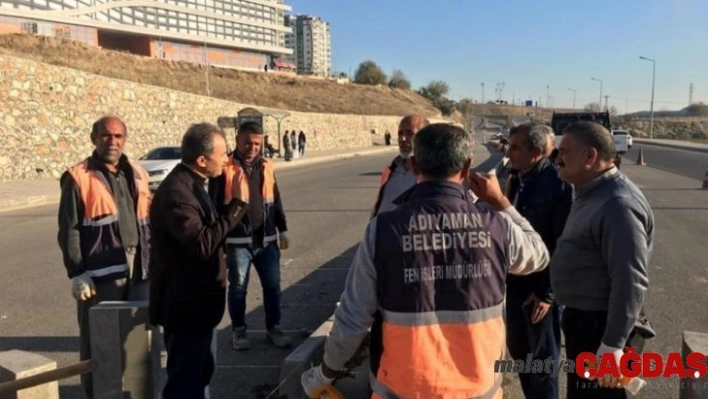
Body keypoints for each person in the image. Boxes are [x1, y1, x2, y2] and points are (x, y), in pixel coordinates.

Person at [300, 123, 550, 398]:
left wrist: (326, 372)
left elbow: (353, 316)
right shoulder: (497, 226)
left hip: (403, 389)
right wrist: (502, 203)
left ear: (415, 165)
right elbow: (539, 255)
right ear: (467, 168)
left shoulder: (383, 230)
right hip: (479, 389)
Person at [552, 121, 653, 398]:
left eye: (564, 152)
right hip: (584, 320)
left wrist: (613, 345)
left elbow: (630, 279)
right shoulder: (590, 192)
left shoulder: (618, 204)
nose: (557, 159)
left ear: (590, 157)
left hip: (599, 327)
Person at [149, 123, 249, 399]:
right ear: (202, 159)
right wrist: (238, 204)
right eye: (223, 153)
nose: (227, 159)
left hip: (199, 306)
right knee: (185, 383)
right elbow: (202, 244)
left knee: (200, 372)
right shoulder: (177, 193)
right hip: (185, 307)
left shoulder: (194, 183)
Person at [57, 116, 151, 399]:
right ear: (93, 138)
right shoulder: (77, 176)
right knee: (98, 338)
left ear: (125, 138)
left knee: (136, 339)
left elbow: (148, 219)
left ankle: (133, 392)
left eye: (118, 136)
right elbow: (68, 229)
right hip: (99, 274)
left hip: (139, 267)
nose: (113, 142)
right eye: (106, 136)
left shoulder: (136, 171)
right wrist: (77, 272)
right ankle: (97, 393)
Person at [503, 123, 573, 399]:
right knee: (520, 353)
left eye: (514, 147)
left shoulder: (558, 184)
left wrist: (547, 293)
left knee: (543, 361)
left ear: (535, 152)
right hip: (516, 284)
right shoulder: (516, 178)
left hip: (541, 291)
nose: (508, 153)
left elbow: (561, 243)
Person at [208, 121, 292, 351]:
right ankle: (239, 330)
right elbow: (214, 206)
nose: (253, 147)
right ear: (237, 139)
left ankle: (273, 328)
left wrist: (282, 228)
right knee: (238, 289)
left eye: (257, 143)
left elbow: (275, 199)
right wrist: (219, 243)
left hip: (266, 241)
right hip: (237, 242)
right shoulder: (224, 167)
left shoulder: (267, 166)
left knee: (273, 288)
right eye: (248, 142)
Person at [370, 114, 430, 218]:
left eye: (409, 133)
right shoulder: (391, 170)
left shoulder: (434, 174)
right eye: (400, 133)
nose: (402, 138)